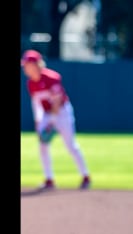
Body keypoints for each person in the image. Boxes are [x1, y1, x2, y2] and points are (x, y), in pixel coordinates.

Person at [21, 49, 91, 191]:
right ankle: (49, 179)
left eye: (27, 64)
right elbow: (36, 103)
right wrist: (39, 122)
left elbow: (57, 103)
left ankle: (85, 176)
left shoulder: (52, 78)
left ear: (36, 64)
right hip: (47, 115)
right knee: (43, 146)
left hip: (62, 113)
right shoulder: (30, 83)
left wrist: (51, 123)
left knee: (70, 145)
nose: (25, 67)